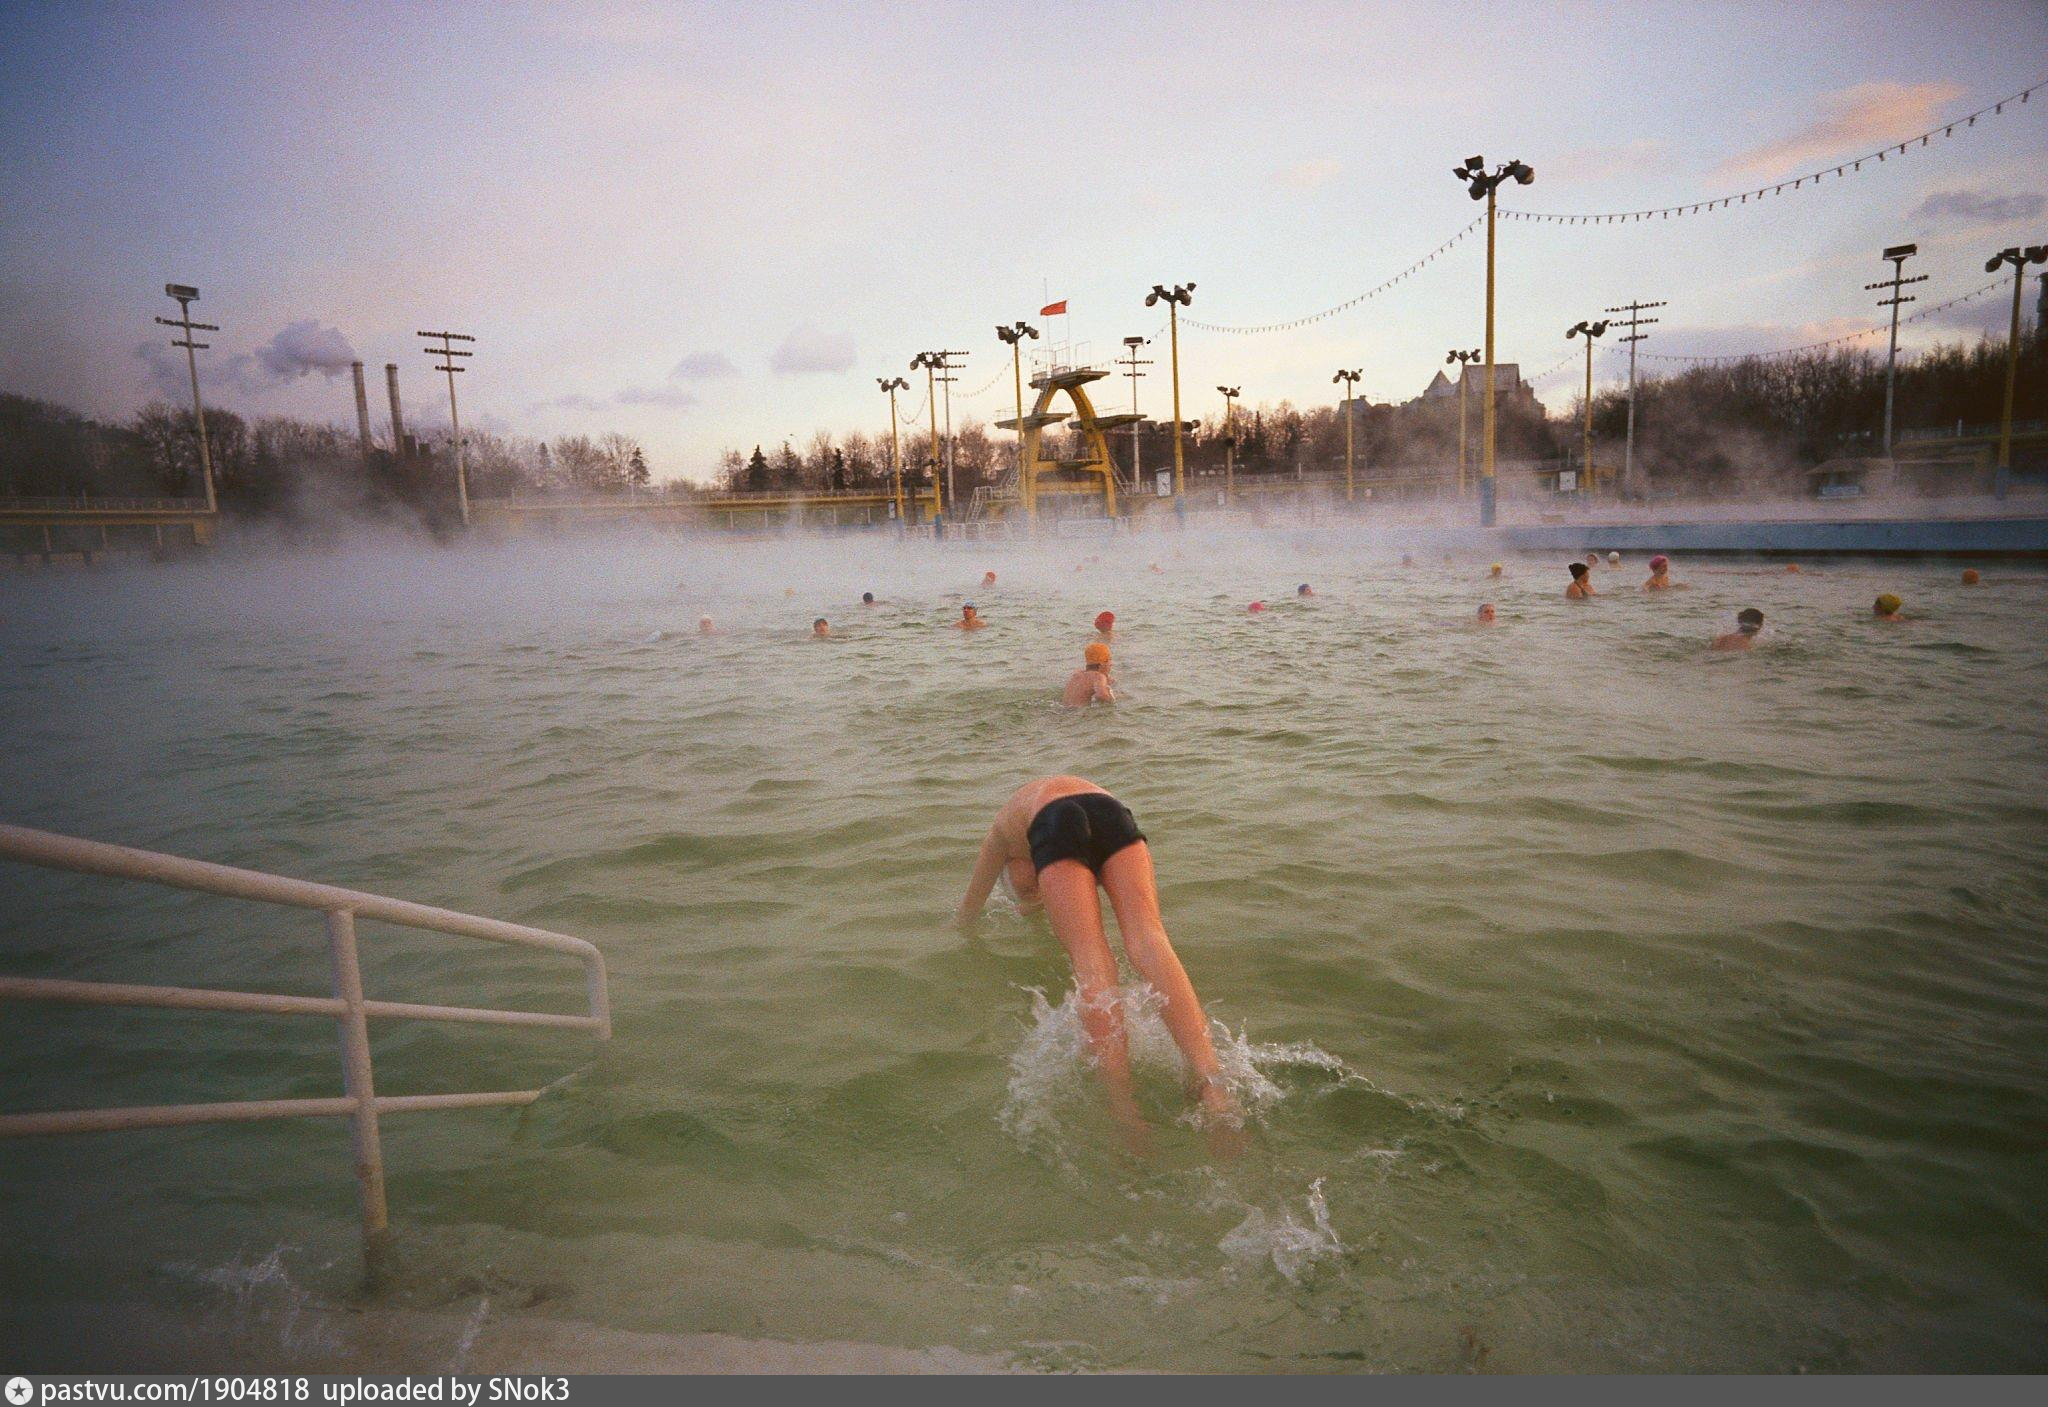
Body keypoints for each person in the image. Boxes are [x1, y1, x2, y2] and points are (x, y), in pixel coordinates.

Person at [955, 776, 1239, 1144]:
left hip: (1054, 821)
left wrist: (959, 929)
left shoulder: (999, 838)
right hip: (1111, 811)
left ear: (1014, 865)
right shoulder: (1030, 801)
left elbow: (969, 909)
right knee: (1151, 941)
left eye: (1028, 889)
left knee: (1091, 959)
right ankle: (1211, 1082)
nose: (1032, 893)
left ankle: (1123, 1108)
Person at [1062, 643, 1117, 707]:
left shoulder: (1077, 674)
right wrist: (1114, 698)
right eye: (1109, 660)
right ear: (1102, 664)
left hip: (1063, 709)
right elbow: (1101, 695)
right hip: (1077, 713)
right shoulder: (1099, 676)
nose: (1111, 664)